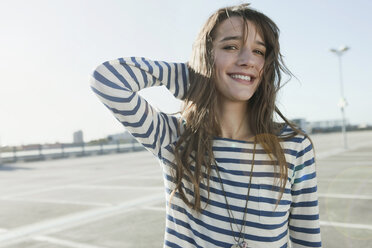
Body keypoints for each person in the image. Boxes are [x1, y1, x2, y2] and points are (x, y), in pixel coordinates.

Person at [90, 3, 321, 248]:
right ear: (206, 55)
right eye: (231, 47)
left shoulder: (294, 146)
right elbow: (107, 79)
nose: (247, 60)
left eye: (258, 51)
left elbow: (307, 239)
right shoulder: (172, 138)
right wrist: (193, 78)